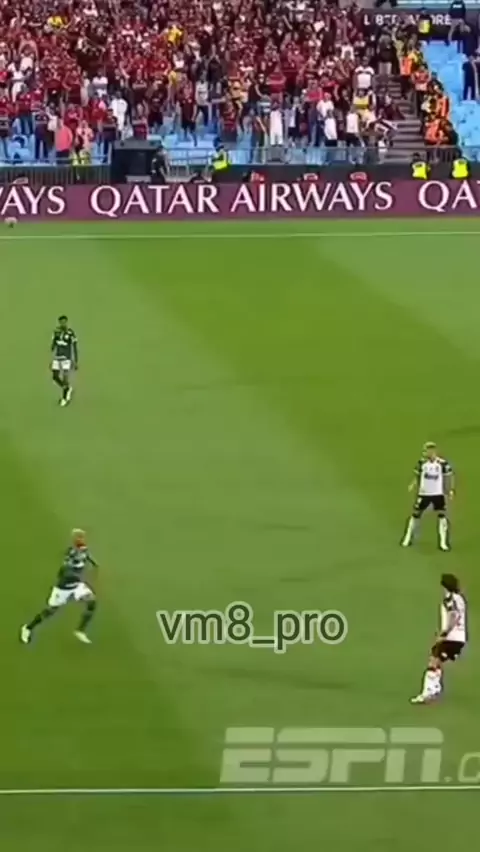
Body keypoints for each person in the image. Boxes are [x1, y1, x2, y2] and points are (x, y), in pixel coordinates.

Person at [20, 529, 99, 645]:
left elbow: (91, 560)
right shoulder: (70, 554)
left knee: (92, 602)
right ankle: (27, 628)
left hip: (77, 586)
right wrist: (77, 572)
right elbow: (63, 572)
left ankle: (80, 631)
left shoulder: (84, 551)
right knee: (50, 611)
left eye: (82, 537)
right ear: (74, 540)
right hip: (63, 588)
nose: (81, 539)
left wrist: (94, 565)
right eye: (78, 537)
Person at [410, 574, 467, 704]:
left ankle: (428, 692)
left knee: (433, 661)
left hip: (451, 638)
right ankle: (434, 688)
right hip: (459, 638)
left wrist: (444, 633)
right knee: (436, 659)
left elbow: (453, 616)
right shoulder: (459, 599)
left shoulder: (450, 599)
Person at [401, 441, 454, 551]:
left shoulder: (442, 463)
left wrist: (450, 490)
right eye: (426, 450)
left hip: (438, 494)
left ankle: (443, 542)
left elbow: (448, 476)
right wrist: (413, 484)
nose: (428, 452)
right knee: (416, 514)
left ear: (434, 451)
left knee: (442, 515)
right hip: (424, 493)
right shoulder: (422, 463)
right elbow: (417, 475)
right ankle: (407, 537)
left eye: (430, 450)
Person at [51, 314, 78, 407]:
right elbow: (53, 345)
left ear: (66, 322)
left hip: (66, 358)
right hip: (57, 357)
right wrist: (53, 348)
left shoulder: (70, 333)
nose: (63, 323)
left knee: (65, 377)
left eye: (64, 322)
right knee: (55, 377)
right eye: (61, 322)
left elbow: (74, 347)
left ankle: (64, 398)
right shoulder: (56, 332)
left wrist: (75, 361)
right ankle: (67, 388)